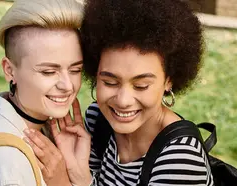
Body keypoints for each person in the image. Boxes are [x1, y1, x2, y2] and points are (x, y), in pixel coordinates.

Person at [23, 0, 214, 185]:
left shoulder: (180, 159)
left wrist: (62, 183)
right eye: (110, 82)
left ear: (168, 80)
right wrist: (78, 172)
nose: (123, 101)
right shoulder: (98, 120)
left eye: (141, 86)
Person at [0, 0, 84, 185]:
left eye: (75, 70)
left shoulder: (39, 129)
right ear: (9, 70)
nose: (68, 85)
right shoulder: (9, 166)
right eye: (48, 72)